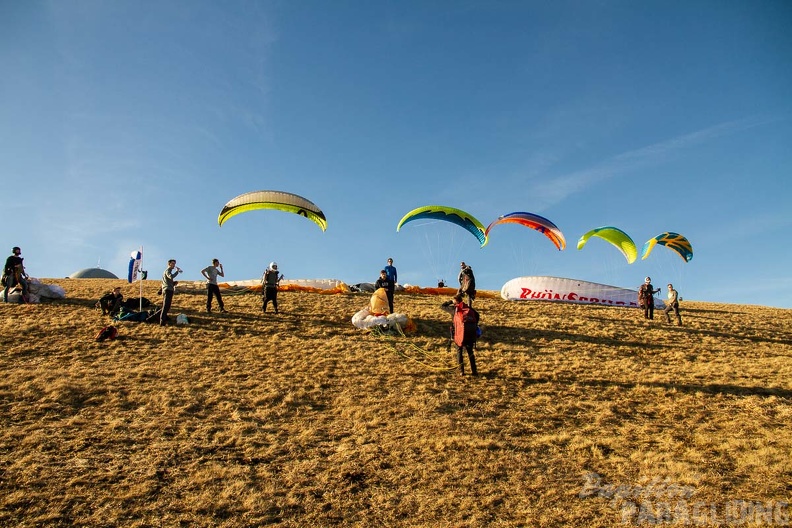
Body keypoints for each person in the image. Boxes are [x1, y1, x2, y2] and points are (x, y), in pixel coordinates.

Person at [441, 294, 479, 376]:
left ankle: (461, 371)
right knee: (470, 352)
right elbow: (477, 315)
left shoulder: (454, 309)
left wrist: (450, 301)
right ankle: (474, 371)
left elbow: (442, 306)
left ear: (455, 301)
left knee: (459, 351)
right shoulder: (468, 308)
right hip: (470, 333)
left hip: (459, 334)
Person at [160, 259, 182, 326]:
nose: (174, 265)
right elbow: (171, 276)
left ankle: (164, 319)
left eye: (174, 264)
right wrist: (177, 272)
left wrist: (173, 283)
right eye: (172, 263)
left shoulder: (167, 271)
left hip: (168, 289)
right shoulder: (167, 270)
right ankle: (162, 320)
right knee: (166, 305)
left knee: (167, 305)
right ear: (169, 264)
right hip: (168, 290)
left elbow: (167, 281)